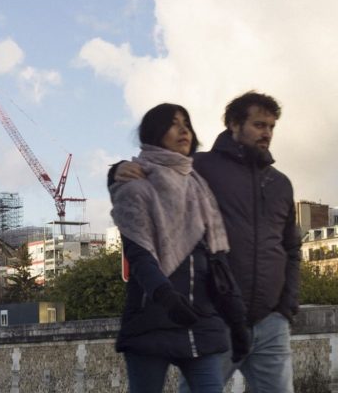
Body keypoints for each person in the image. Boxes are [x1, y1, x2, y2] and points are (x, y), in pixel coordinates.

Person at [112, 92, 301, 392]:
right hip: (215, 315)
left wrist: (286, 307)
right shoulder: (200, 167)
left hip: (267, 321)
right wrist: (117, 169)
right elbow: (156, 169)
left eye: (271, 126)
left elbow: (292, 248)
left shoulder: (280, 183)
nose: (267, 133)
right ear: (234, 125)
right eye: (258, 124)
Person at [110, 103, 249, 393]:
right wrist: (167, 298)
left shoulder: (199, 188)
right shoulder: (135, 186)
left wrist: (237, 321)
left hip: (201, 321)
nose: (184, 129)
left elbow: (218, 261)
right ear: (154, 133)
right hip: (153, 319)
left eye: (187, 122)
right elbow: (139, 255)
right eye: (173, 123)